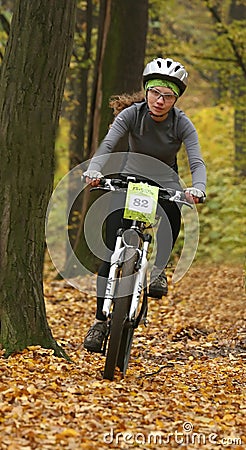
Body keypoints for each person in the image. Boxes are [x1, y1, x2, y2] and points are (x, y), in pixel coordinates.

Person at [83, 57, 206, 353]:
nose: (160, 100)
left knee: (174, 211)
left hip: (165, 182)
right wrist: (95, 169)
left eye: (167, 96)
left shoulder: (182, 123)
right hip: (130, 178)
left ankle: (159, 269)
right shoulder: (131, 116)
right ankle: (100, 322)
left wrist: (198, 188)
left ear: (176, 99)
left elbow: (196, 159)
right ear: (146, 91)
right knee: (111, 252)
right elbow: (109, 144)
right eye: (155, 92)